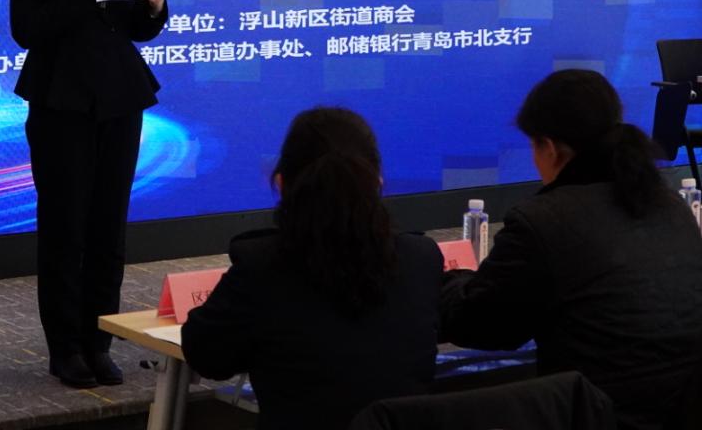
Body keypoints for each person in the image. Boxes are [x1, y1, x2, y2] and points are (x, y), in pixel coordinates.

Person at [439, 69, 702, 430]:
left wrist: (447, 279)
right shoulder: (671, 206)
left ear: (549, 148)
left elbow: (483, 326)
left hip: (597, 416)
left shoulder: (544, 220)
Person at [9, 0, 170, 389]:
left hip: (119, 96)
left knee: (108, 227)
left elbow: (136, 30)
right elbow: (27, 30)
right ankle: (66, 349)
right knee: (65, 228)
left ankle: (100, 341)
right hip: (61, 99)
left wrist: (155, 6)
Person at [181, 107, 443, 430]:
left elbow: (206, 355)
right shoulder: (422, 258)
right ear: (377, 182)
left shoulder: (261, 268)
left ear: (281, 183)